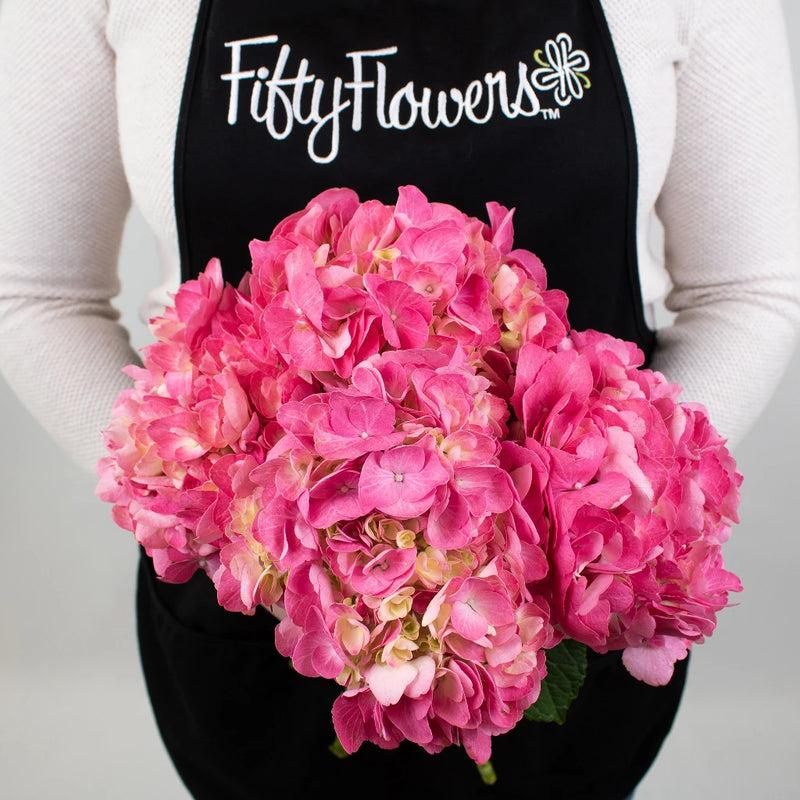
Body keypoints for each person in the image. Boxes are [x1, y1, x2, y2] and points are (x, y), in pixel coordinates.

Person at [1, 1, 799, 798]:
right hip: (253, 632)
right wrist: (244, 532)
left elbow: (750, 289)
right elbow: (35, 293)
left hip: (562, 632)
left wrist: (613, 519)